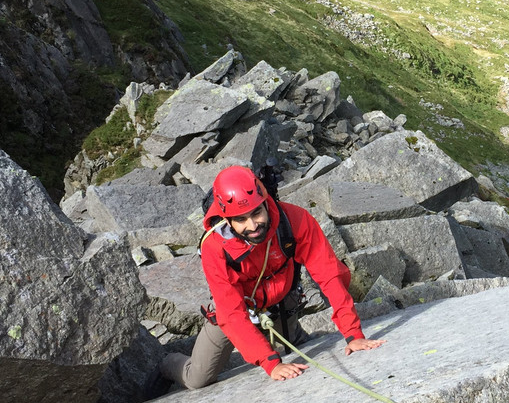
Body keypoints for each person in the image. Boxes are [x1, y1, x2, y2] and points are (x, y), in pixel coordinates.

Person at [161, 165, 385, 388]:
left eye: (257, 213)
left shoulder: (293, 220)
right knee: (197, 379)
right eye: (241, 219)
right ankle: (166, 363)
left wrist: (353, 334)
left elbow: (329, 275)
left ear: (265, 201)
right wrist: (270, 362)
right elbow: (231, 314)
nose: (253, 225)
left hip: (280, 300)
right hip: (236, 309)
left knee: (297, 345)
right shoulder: (215, 247)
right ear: (227, 220)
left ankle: (290, 335)